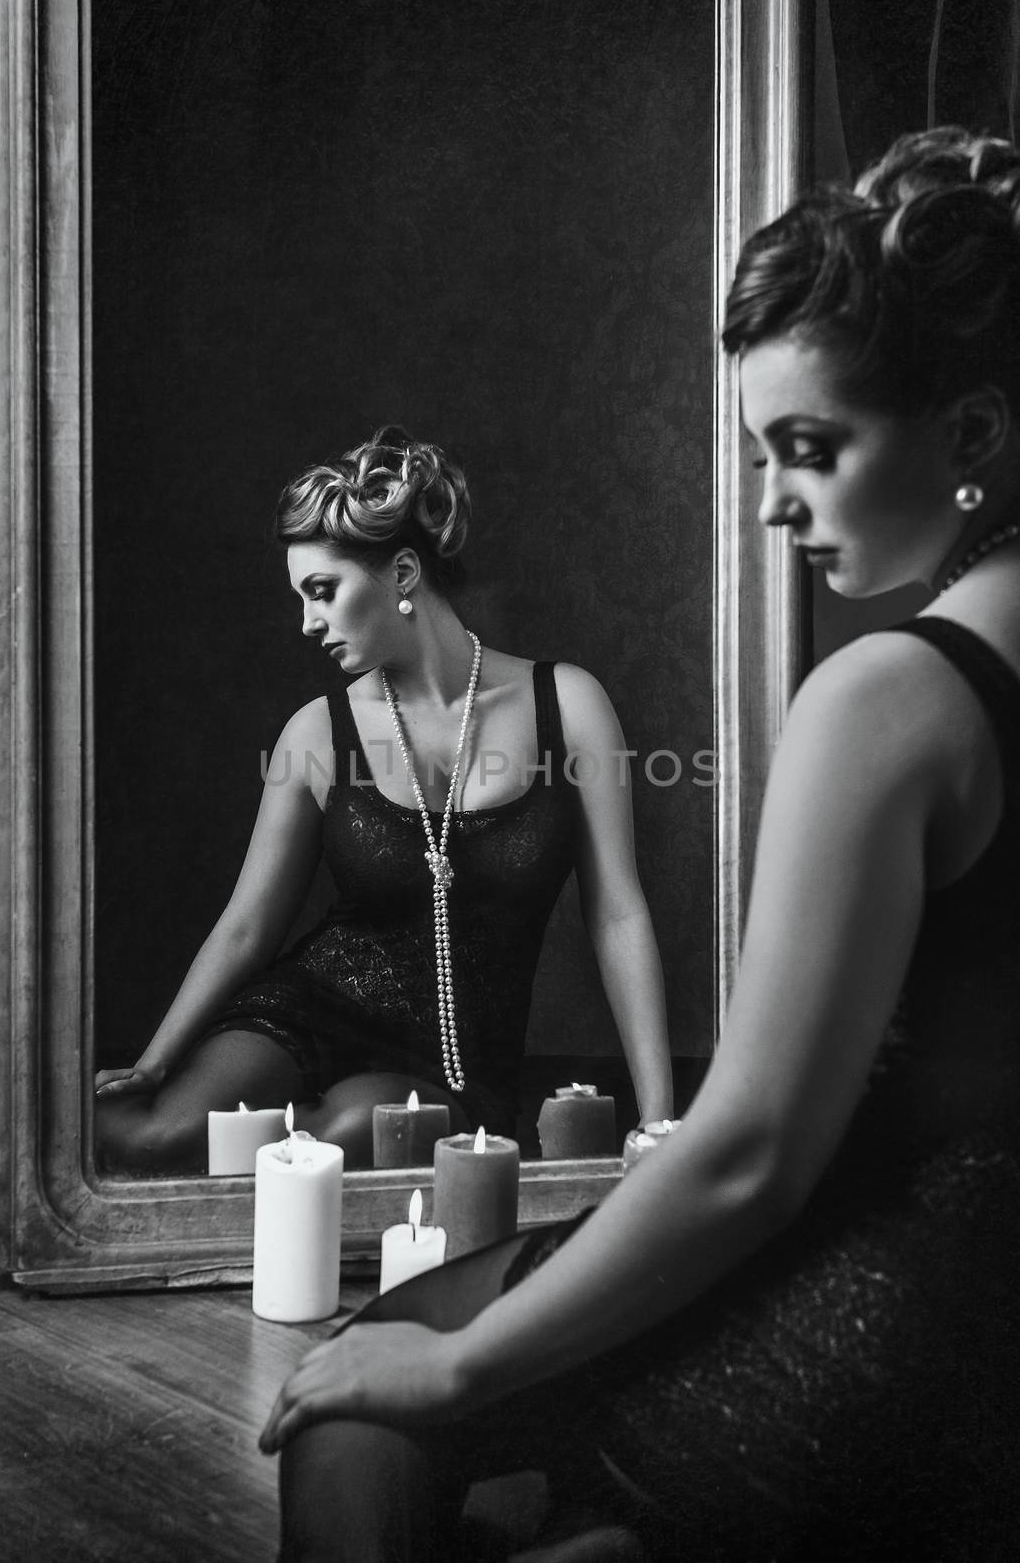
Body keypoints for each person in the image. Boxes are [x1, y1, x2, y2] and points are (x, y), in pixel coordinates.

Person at [260, 128, 1020, 1562]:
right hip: (988, 1348)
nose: (768, 505)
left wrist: (460, 1366)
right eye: (755, 455)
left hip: (887, 1339)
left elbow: (751, 1159)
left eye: (808, 450)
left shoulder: (891, 696)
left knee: (364, 1399)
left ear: (970, 434)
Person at [95, 426, 673, 1173]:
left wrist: (659, 1117)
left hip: (456, 1063)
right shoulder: (315, 732)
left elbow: (619, 912)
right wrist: (154, 1063)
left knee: (350, 1133)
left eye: (323, 591)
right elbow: (247, 927)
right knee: (153, 1137)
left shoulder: (569, 704)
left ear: (402, 572)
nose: (308, 622)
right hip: (308, 1009)